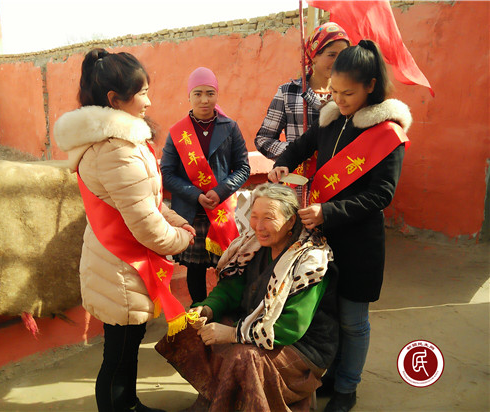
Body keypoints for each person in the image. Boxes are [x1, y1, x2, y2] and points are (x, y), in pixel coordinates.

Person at [268, 40, 412, 412]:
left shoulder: (387, 133)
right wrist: (283, 163)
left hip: (359, 244)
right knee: (327, 313)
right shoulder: (331, 117)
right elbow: (302, 145)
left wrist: (328, 212)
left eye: (348, 93)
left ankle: (348, 387)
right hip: (323, 240)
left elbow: (381, 194)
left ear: (370, 86)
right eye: (334, 91)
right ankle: (333, 373)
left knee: (353, 320)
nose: (339, 99)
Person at [54, 48, 194, 412]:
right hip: (120, 266)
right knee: (119, 353)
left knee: (125, 348)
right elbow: (146, 224)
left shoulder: (118, 144)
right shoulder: (117, 151)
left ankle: (129, 403)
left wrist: (175, 220)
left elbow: (145, 201)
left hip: (117, 261)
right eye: (142, 92)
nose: (149, 101)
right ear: (115, 99)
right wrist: (182, 239)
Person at [156, 183, 339, 411]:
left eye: (268, 218)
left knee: (243, 356)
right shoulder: (251, 246)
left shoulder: (310, 261)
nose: (258, 226)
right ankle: (213, 399)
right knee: (194, 328)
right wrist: (208, 309)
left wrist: (234, 334)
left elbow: (292, 326)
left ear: (291, 221)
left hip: (302, 347)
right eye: (254, 216)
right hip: (255, 323)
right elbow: (231, 288)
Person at [160, 67, 250, 304]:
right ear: (189, 96)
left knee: (228, 265)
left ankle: (221, 309)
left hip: (220, 210)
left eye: (210, 93)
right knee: (195, 268)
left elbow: (243, 168)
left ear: (217, 95)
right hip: (191, 212)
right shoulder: (177, 132)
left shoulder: (230, 128)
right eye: (198, 93)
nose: (204, 100)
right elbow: (166, 173)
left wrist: (220, 191)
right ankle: (199, 310)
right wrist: (196, 194)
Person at [254, 22, 349, 161]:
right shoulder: (288, 92)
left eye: (343, 55)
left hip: (336, 173)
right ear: (314, 55)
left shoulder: (350, 94)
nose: (338, 62)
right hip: (300, 173)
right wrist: (295, 151)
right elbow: (263, 139)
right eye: (331, 55)